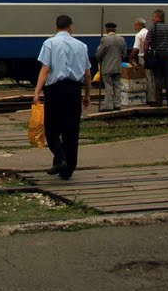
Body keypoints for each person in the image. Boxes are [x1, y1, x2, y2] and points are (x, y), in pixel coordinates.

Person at [33, 15, 91, 180]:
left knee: (51, 129)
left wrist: (37, 91)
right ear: (71, 27)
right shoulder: (82, 46)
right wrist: (86, 95)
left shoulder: (50, 43)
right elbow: (87, 75)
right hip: (74, 91)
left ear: (56, 27)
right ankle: (68, 169)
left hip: (55, 91)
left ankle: (60, 158)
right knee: (71, 131)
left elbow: (45, 69)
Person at [144, 9, 168, 109]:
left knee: (158, 78)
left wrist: (146, 54)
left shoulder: (152, 28)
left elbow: (146, 43)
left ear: (158, 17)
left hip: (157, 56)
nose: (152, 18)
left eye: (153, 17)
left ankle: (158, 100)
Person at [94, 22, 125, 112]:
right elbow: (124, 53)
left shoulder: (105, 40)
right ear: (115, 30)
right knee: (117, 86)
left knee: (108, 86)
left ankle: (108, 105)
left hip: (107, 67)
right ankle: (117, 104)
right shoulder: (121, 39)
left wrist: (99, 58)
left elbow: (99, 54)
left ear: (107, 30)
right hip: (118, 66)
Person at [129, 18, 156, 106]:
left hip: (143, 57)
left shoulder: (139, 35)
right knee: (154, 77)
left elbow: (136, 49)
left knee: (147, 77)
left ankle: (150, 98)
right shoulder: (150, 32)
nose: (134, 27)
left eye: (136, 25)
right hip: (153, 56)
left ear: (140, 25)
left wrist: (131, 58)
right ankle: (156, 97)